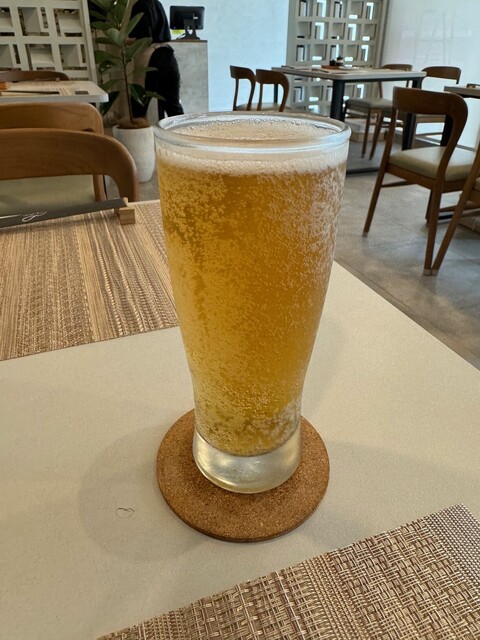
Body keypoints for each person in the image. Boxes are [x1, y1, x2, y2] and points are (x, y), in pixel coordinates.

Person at [129, 0, 184, 120]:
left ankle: (140, 132)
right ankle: (183, 131)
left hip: (151, 59)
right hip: (168, 58)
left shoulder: (139, 6)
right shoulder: (158, 4)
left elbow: (143, 37)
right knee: (174, 108)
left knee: (139, 106)